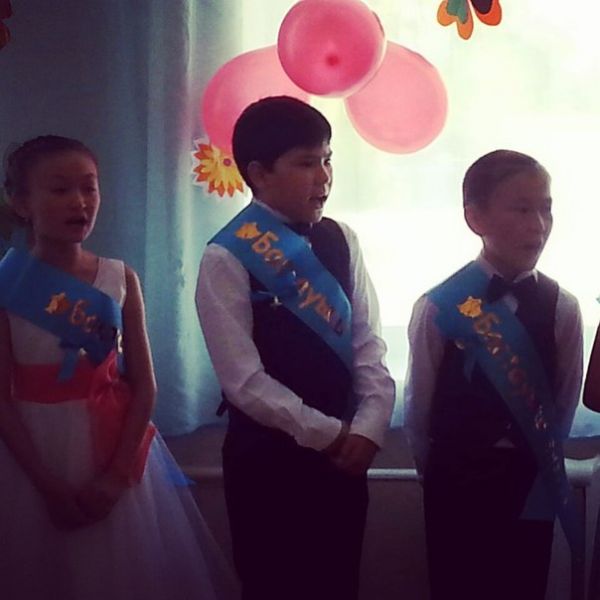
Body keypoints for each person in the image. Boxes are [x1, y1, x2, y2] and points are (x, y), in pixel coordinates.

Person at [0, 135, 236, 600]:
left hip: (111, 452)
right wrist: (46, 484)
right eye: (60, 189)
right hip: (31, 458)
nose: (79, 202)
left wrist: (115, 475)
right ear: (21, 202)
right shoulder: (7, 286)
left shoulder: (120, 276)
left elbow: (144, 385)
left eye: (89, 187)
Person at [195, 96, 395, 600]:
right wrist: (327, 433)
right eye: (306, 163)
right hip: (269, 465)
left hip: (344, 459)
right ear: (259, 173)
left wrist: (369, 426)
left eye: (327, 160)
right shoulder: (226, 256)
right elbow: (242, 381)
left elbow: (368, 342)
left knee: (339, 583)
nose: (323, 177)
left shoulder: (342, 239)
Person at [404, 149, 583, 600]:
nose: (538, 225)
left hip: (530, 478)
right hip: (456, 481)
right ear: (475, 218)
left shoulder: (563, 308)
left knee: (524, 584)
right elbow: (419, 408)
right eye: (521, 209)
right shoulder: (438, 307)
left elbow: (563, 404)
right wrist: (439, 473)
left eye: (545, 209)